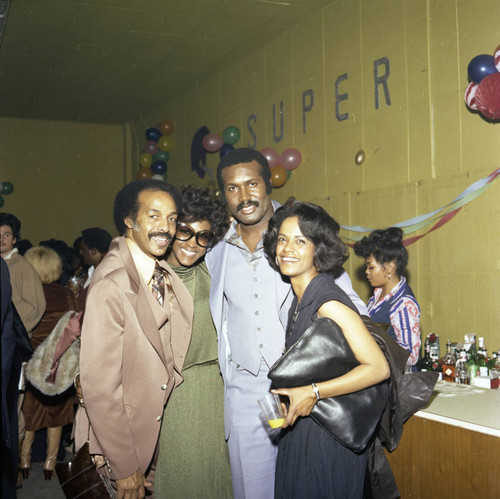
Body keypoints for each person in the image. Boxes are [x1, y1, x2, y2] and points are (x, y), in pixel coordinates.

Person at [205, 147, 368, 499]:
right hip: (249, 396)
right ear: (224, 195)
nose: (244, 196)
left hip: (307, 397)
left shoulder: (300, 232)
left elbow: (352, 309)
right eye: (233, 188)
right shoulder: (214, 250)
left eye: (252, 184)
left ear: (268, 184)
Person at [73, 179, 193, 498]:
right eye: (153, 216)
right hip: (118, 446)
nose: (165, 227)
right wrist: (125, 466)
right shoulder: (112, 284)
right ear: (130, 220)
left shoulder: (155, 271)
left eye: (171, 218)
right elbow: (100, 386)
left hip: (147, 432)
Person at [262, 202, 390, 498]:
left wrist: (314, 392)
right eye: (282, 239)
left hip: (328, 439)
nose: (287, 249)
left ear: (318, 248)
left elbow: (378, 368)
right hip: (304, 431)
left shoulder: (328, 302)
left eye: (300, 241)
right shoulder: (300, 298)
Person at [155, 185, 232, 498]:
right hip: (174, 395)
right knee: (181, 478)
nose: (193, 244)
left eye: (204, 236)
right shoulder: (150, 277)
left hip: (215, 390)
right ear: (172, 230)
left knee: (217, 479)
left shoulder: (212, 274)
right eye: (185, 231)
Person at [21, 246, 78, 480]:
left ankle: (24, 462)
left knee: (29, 415)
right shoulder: (65, 294)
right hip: (58, 363)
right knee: (57, 415)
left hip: (31, 361)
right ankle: (50, 464)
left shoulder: (27, 295)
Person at [353, 227, 421, 367]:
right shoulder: (376, 297)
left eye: (371, 267)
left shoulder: (403, 303)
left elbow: (411, 356)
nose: (367, 272)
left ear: (390, 266)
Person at [0, 213, 46, 334]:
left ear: (14, 239)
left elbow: (35, 306)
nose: (1, 239)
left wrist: (9, 324)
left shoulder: (21, 266)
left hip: (11, 339)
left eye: (7, 235)